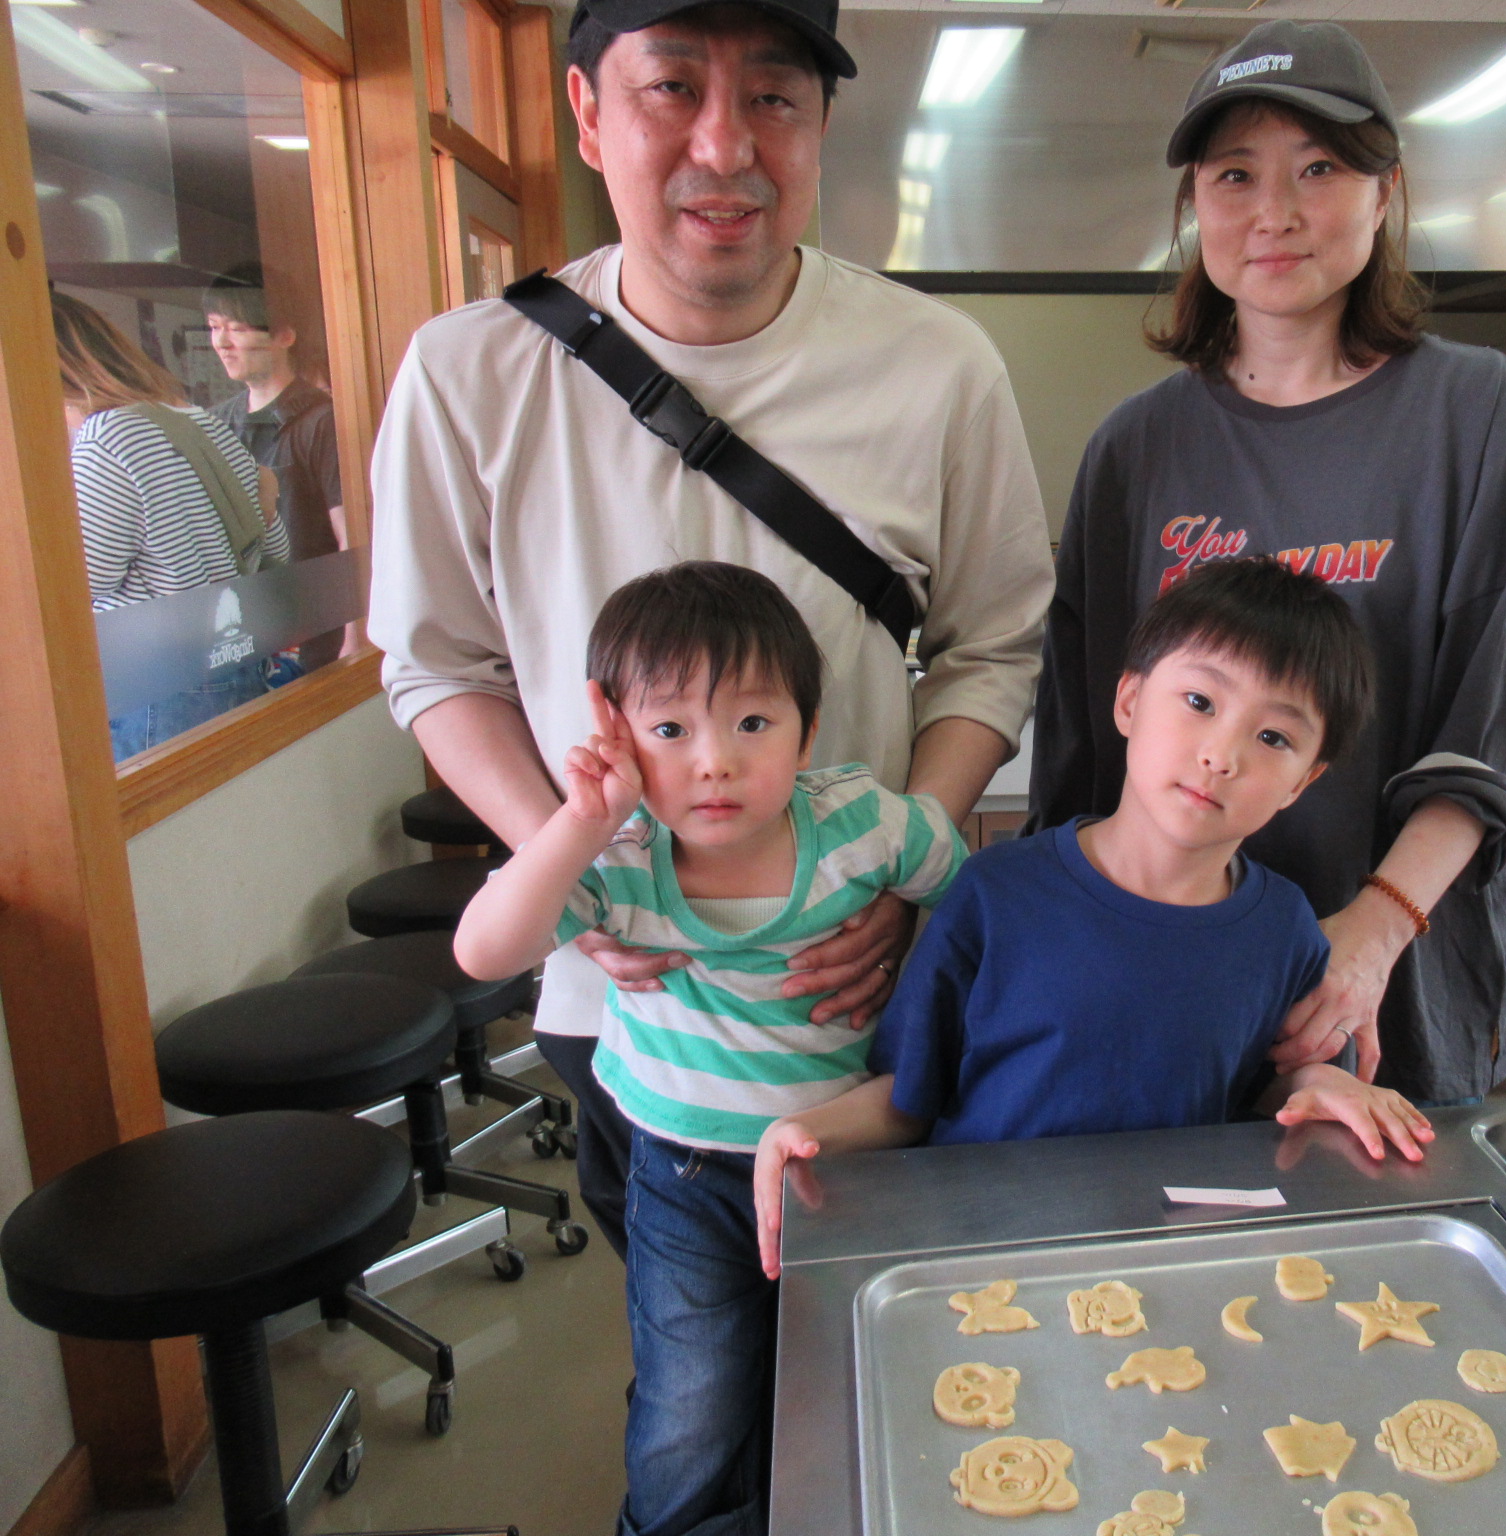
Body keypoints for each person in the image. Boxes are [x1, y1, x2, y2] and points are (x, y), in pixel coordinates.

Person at [367, 0, 1053, 1261]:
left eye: (774, 97)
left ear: (822, 124)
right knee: (690, 1342)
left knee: (878, 1326)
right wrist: (571, 866)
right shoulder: (469, 372)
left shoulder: (937, 364)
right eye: (672, 88)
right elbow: (434, 663)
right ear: (588, 114)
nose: (726, 146)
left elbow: (993, 644)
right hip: (629, 1006)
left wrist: (903, 868)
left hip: (859, 990)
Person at [1028, 21, 1506, 1108]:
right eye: (1235, 175)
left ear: (1384, 190)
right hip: (1169, 974)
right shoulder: (1136, 446)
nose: (1273, 213)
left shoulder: (1472, 413)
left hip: (1388, 975)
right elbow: (1083, 746)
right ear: (1194, 203)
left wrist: (1373, 931)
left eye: (1318, 169)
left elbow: (1491, 728)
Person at [453, 562, 966, 1536]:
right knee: (691, 1411)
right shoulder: (618, 859)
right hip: (686, 1176)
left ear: (808, 732)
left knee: (853, 1382)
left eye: (752, 723)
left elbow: (975, 903)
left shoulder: (864, 824)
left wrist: (921, 955)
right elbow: (483, 952)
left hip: (850, 1167)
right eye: (670, 730)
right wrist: (579, 820)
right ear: (618, 737)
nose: (714, 762)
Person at [752, 559, 1434, 1276]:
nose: (1220, 755)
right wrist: (804, 1130)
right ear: (1130, 701)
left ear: (1304, 780)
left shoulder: (1285, 929)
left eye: (1273, 739)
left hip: (1172, 1271)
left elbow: (1262, 1091)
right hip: (984, 1265)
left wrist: (1317, 1084)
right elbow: (909, 1097)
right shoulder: (996, 893)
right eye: (1199, 701)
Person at [53, 291, 289, 758]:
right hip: (231, 661)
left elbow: (83, 582)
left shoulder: (105, 438)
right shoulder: (199, 422)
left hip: (155, 684)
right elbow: (273, 547)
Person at [205, 266, 349, 669]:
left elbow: (351, 535)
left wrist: (356, 636)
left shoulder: (322, 421)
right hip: (243, 634)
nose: (222, 343)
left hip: (315, 636)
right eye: (214, 327)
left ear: (284, 335)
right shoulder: (213, 424)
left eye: (237, 329)